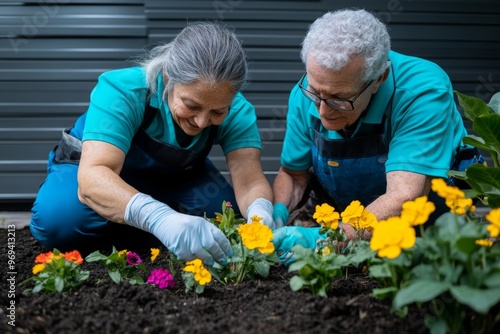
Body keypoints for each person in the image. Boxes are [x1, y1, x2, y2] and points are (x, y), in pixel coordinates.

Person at [30, 22, 275, 266]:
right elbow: (93, 176)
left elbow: (250, 180)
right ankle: (138, 222)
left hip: (174, 176)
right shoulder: (124, 91)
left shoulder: (237, 110)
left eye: (217, 112)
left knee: (221, 219)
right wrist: (159, 217)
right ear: (168, 77)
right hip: (96, 169)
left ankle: (136, 220)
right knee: (60, 222)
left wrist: (260, 212)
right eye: (191, 105)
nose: (201, 122)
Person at [271, 9, 483, 264]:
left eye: (340, 99)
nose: (322, 110)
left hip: (423, 228)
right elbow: (293, 175)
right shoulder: (307, 92)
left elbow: (405, 196)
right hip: (349, 221)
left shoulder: (421, 91)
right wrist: (276, 214)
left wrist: (325, 239)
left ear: (378, 79)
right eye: (316, 92)